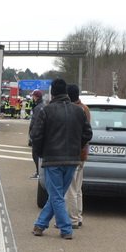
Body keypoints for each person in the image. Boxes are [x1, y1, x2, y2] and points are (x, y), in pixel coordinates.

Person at [30, 78, 92, 239]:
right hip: (72, 160)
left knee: (56, 196)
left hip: (52, 160)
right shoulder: (78, 111)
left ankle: (66, 229)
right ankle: (40, 225)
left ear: (52, 92)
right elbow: (88, 134)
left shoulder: (46, 111)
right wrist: (77, 147)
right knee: (56, 195)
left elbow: (36, 135)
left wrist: (40, 152)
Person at [65, 84, 91, 229]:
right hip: (83, 154)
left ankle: (73, 219)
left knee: (71, 189)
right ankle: (79, 217)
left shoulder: (74, 110)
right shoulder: (85, 108)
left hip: (74, 153)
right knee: (78, 188)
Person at [26, 89, 44, 178]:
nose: (32, 98)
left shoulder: (37, 108)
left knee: (35, 154)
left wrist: (32, 135)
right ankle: (39, 172)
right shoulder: (43, 106)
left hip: (37, 136)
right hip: (42, 135)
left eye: (33, 96)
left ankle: (38, 173)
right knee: (39, 155)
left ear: (36, 97)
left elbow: (35, 123)